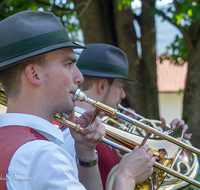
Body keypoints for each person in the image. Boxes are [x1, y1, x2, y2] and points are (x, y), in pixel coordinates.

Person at [0, 11, 155, 190]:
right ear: (35, 74)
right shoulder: (43, 157)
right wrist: (126, 178)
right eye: (68, 64)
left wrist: (85, 153)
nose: (80, 77)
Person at [60, 43, 190, 189]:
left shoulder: (100, 128)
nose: (123, 95)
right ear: (102, 86)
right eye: (120, 86)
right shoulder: (72, 135)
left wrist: (156, 140)